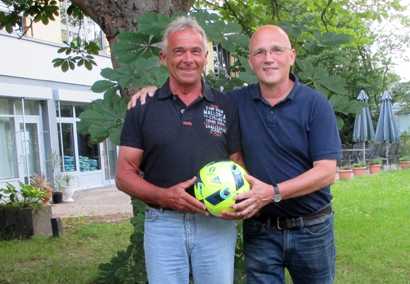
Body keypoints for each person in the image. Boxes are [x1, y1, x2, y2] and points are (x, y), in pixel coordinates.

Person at [130, 25, 341, 284]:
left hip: (311, 228)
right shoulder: (233, 103)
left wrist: (273, 192)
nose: (269, 58)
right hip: (260, 227)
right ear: (251, 61)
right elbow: (189, 90)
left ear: (292, 56)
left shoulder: (315, 104)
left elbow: (327, 171)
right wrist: (152, 91)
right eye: (260, 52)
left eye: (277, 50)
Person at [116, 16, 242, 284]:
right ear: (163, 57)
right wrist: (164, 196)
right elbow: (124, 175)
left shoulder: (226, 105)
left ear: (206, 57)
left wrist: (239, 200)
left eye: (195, 51)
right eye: (179, 51)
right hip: (163, 225)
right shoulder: (142, 106)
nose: (188, 59)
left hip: (215, 223)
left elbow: (238, 164)